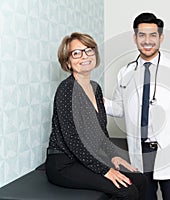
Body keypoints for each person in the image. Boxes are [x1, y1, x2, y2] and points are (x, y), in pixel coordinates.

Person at [105, 13, 170, 200]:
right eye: (142, 35)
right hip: (139, 152)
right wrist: (95, 98)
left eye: (153, 35)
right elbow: (119, 109)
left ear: (160, 37)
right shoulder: (125, 72)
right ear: (135, 38)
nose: (147, 41)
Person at [45, 32, 147, 200]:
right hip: (65, 163)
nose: (84, 56)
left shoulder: (95, 88)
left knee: (140, 180)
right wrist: (104, 169)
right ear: (68, 61)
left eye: (88, 50)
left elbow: (101, 132)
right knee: (127, 191)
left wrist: (113, 155)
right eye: (76, 53)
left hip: (84, 160)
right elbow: (73, 140)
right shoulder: (66, 90)